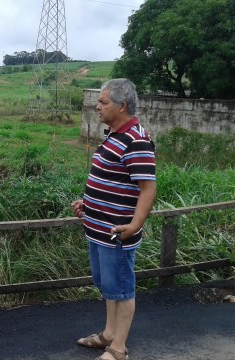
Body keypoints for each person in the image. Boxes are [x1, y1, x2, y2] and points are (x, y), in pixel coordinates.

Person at [71, 78, 156, 360]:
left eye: (103, 102)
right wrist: (88, 203)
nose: (97, 107)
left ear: (121, 106)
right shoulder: (114, 134)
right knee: (108, 286)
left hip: (117, 232)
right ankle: (108, 334)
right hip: (99, 228)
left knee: (121, 288)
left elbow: (147, 189)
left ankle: (118, 348)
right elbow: (113, 179)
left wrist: (135, 225)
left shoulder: (136, 139)